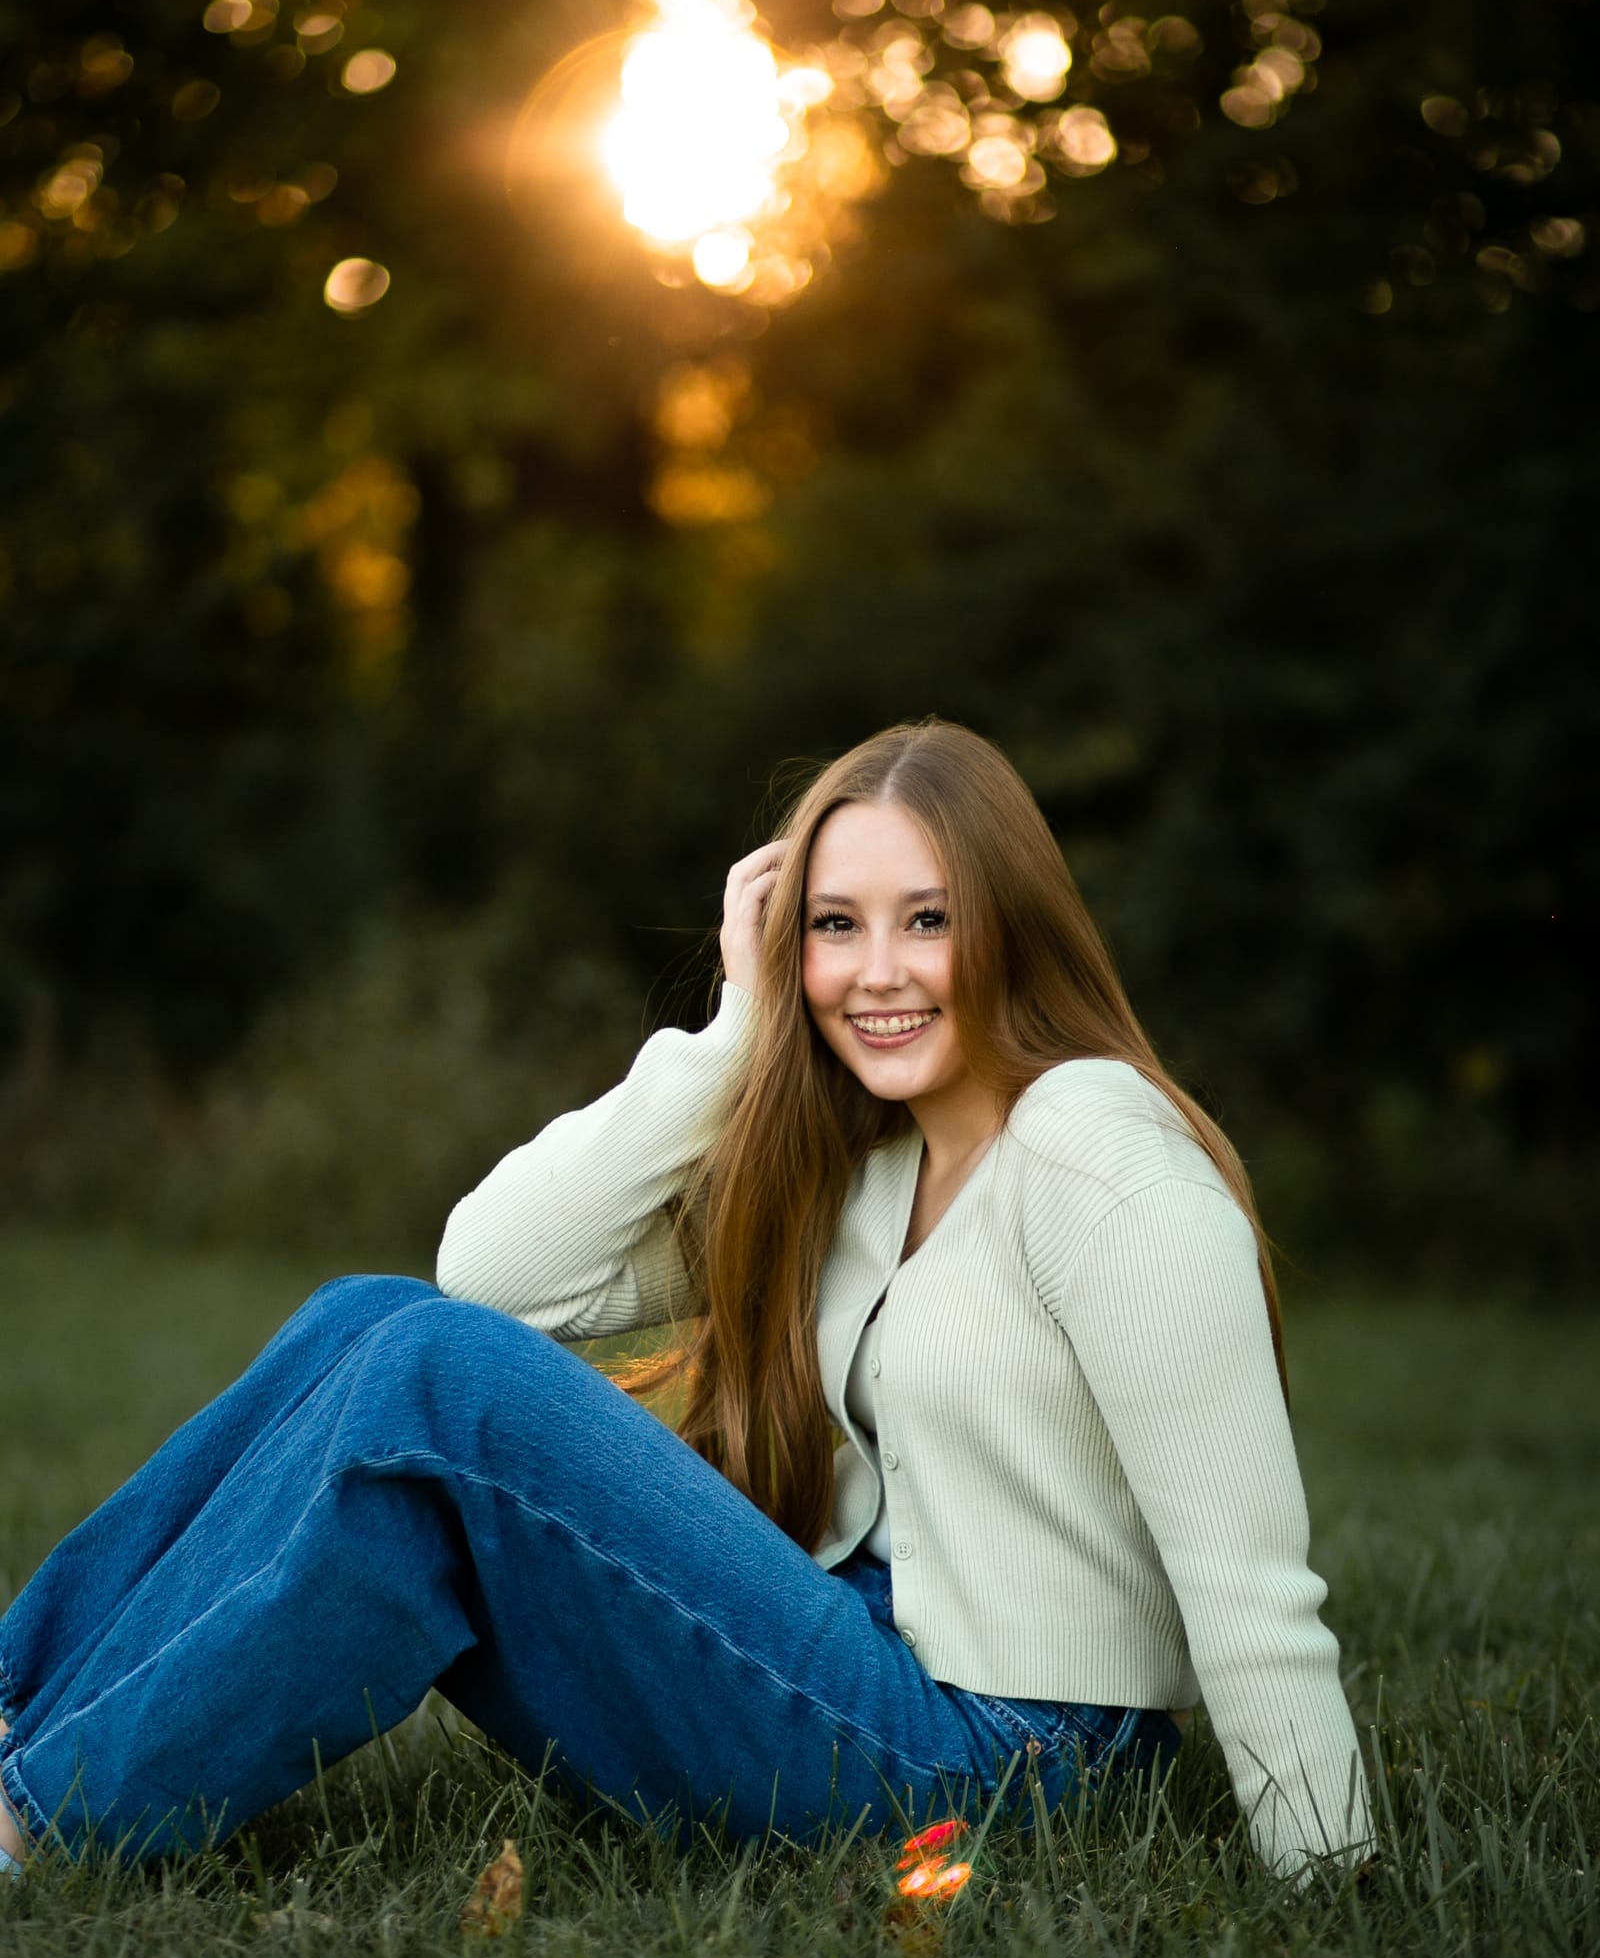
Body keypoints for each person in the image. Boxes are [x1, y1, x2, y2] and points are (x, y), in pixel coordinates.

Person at [0, 721, 1372, 1883]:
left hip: (1017, 1769)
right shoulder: (866, 1163)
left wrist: (1331, 1877)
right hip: (870, 1657)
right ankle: (18, 1717)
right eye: (836, 926)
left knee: (438, 1388)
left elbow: (1247, 1579)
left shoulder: (1095, 1149)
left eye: (928, 920)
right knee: (365, 1320)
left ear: (1014, 925)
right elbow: (500, 1273)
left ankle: (41, 1823)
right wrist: (740, 1031)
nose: (876, 970)